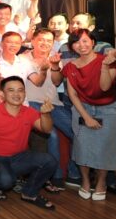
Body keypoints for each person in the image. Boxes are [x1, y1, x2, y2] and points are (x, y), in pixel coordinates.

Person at [61, 29, 116, 201]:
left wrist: (107, 64)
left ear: (93, 42)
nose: (81, 45)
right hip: (83, 108)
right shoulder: (70, 67)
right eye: (76, 42)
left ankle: (101, 182)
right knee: (82, 147)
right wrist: (86, 117)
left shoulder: (106, 60)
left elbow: (105, 87)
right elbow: (72, 94)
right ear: (71, 46)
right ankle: (86, 181)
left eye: (85, 41)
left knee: (105, 148)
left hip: (108, 109)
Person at [0, 76, 57, 209]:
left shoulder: (29, 112)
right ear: (2, 94)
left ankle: (29, 193)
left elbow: (47, 129)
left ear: (25, 93)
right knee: (5, 182)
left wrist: (45, 114)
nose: (16, 94)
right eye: (11, 90)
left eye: (20, 90)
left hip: (19, 157)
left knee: (49, 161)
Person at [26, 28, 79, 190]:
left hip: (54, 104)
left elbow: (57, 82)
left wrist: (55, 66)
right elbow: (38, 82)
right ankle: (56, 176)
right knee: (53, 136)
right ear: (33, 41)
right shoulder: (23, 59)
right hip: (32, 103)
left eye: (49, 41)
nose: (45, 43)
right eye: (41, 39)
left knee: (77, 132)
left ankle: (73, 173)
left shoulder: (55, 58)